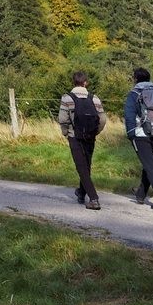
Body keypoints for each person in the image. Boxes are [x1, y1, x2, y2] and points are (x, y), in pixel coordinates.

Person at [56, 71, 105, 210]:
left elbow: (63, 119)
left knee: (81, 167)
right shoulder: (94, 98)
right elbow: (103, 119)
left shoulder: (67, 98)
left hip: (74, 136)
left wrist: (66, 132)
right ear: (86, 82)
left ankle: (94, 198)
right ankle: (82, 193)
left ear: (74, 82)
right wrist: (96, 132)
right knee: (86, 165)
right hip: (90, 136)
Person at [124, 66, 153, 210]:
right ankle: (140, 194)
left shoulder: (134, 94)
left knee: (149, 166)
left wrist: (131, 133)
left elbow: (129, 115)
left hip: (141, 134)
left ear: (136, 79)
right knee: (149, 164)